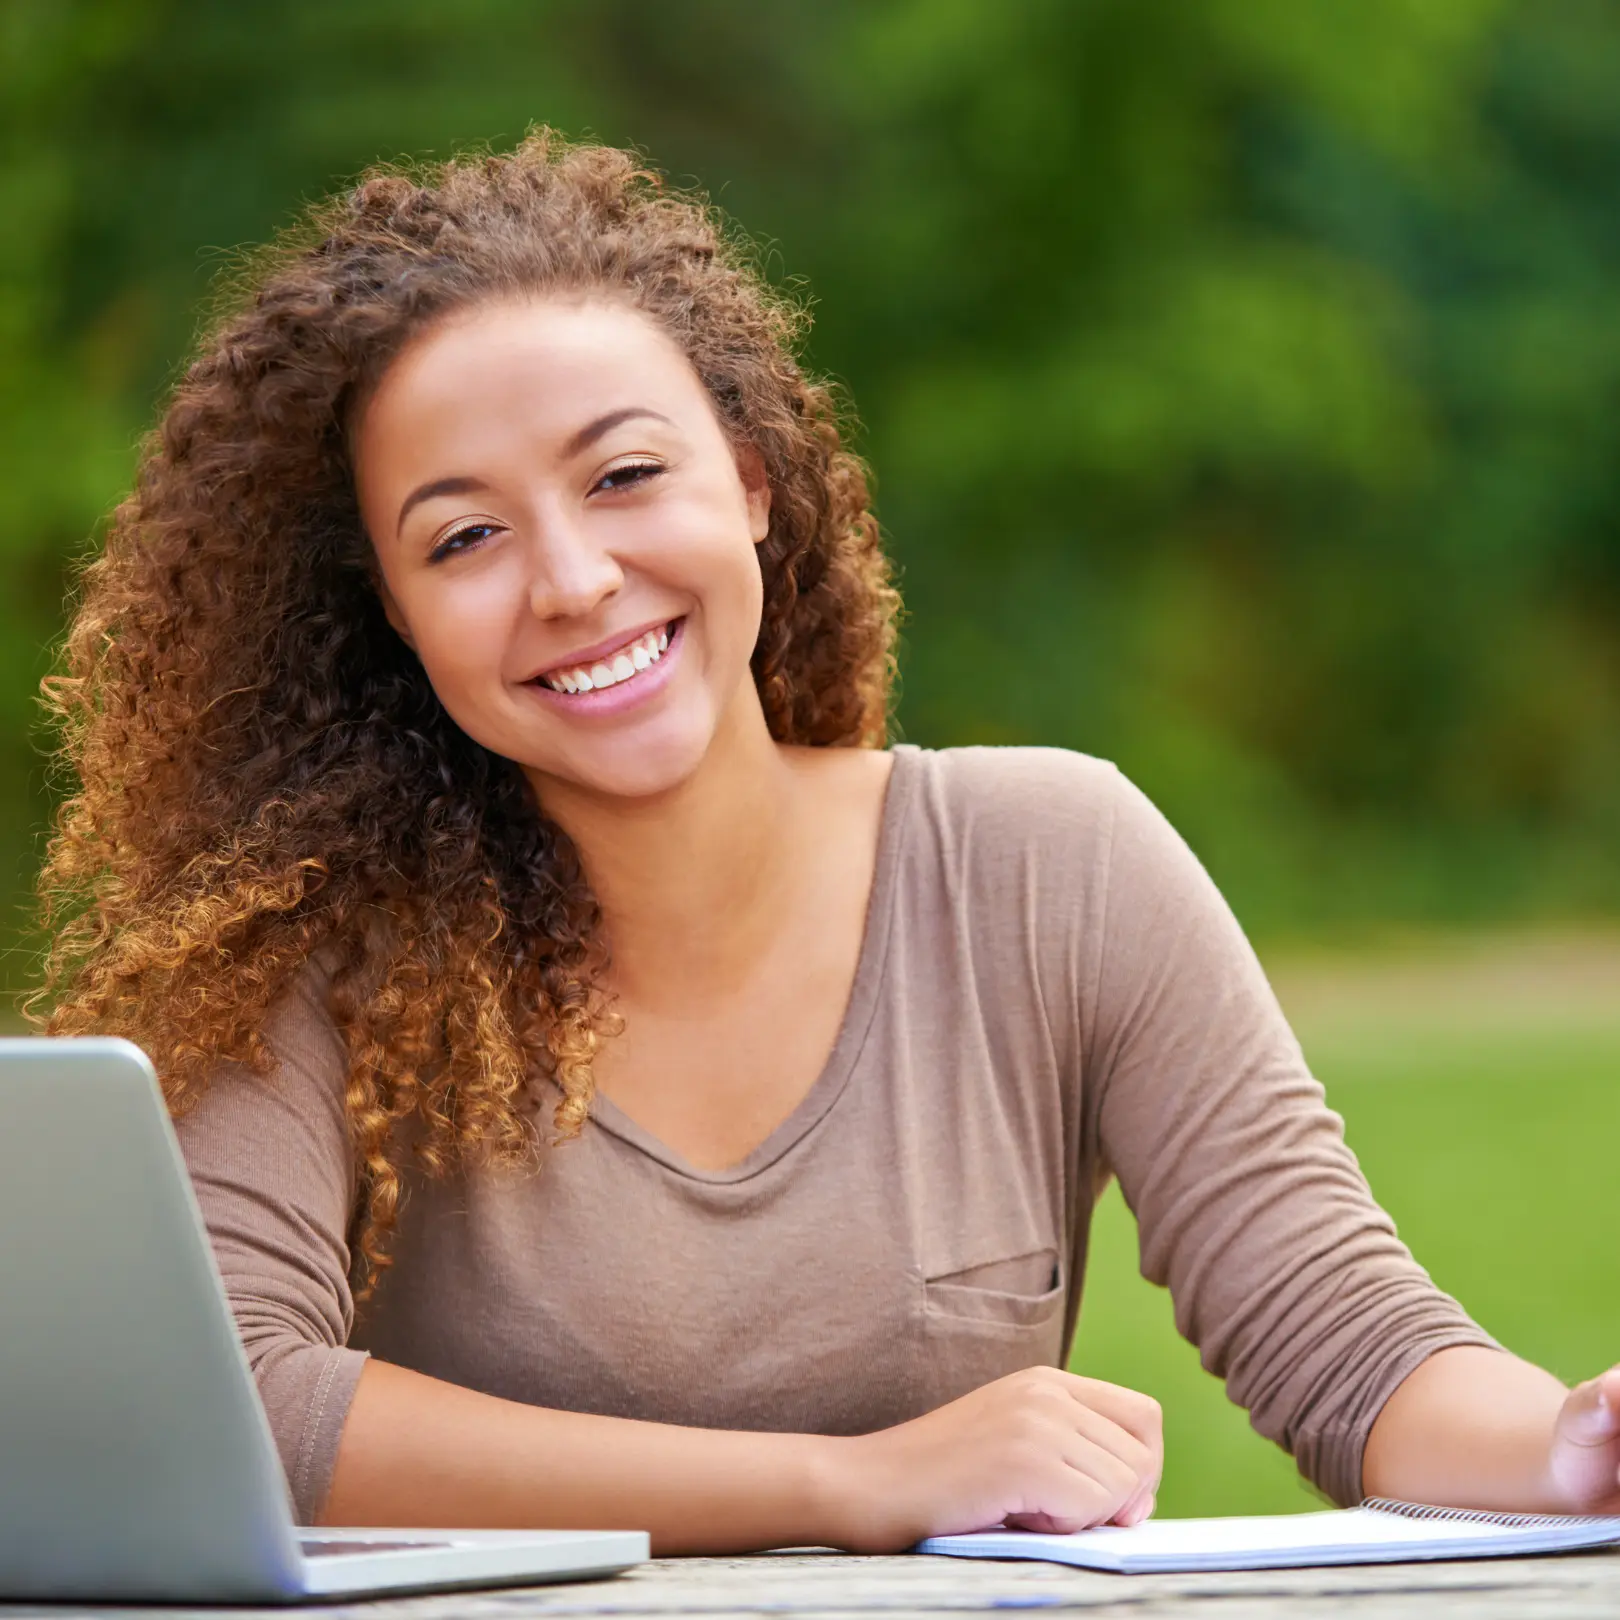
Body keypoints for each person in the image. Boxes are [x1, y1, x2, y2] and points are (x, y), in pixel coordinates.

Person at [33, 131, 1619, 1554]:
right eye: (466, 536)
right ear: (394, 616)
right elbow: (234, 1407)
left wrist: (1569, 1449)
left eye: (627, 474)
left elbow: (1348, 1344)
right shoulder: (304, 947)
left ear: (756, 489)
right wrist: (844, 1482)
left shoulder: (1049, 868)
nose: (573, 577)